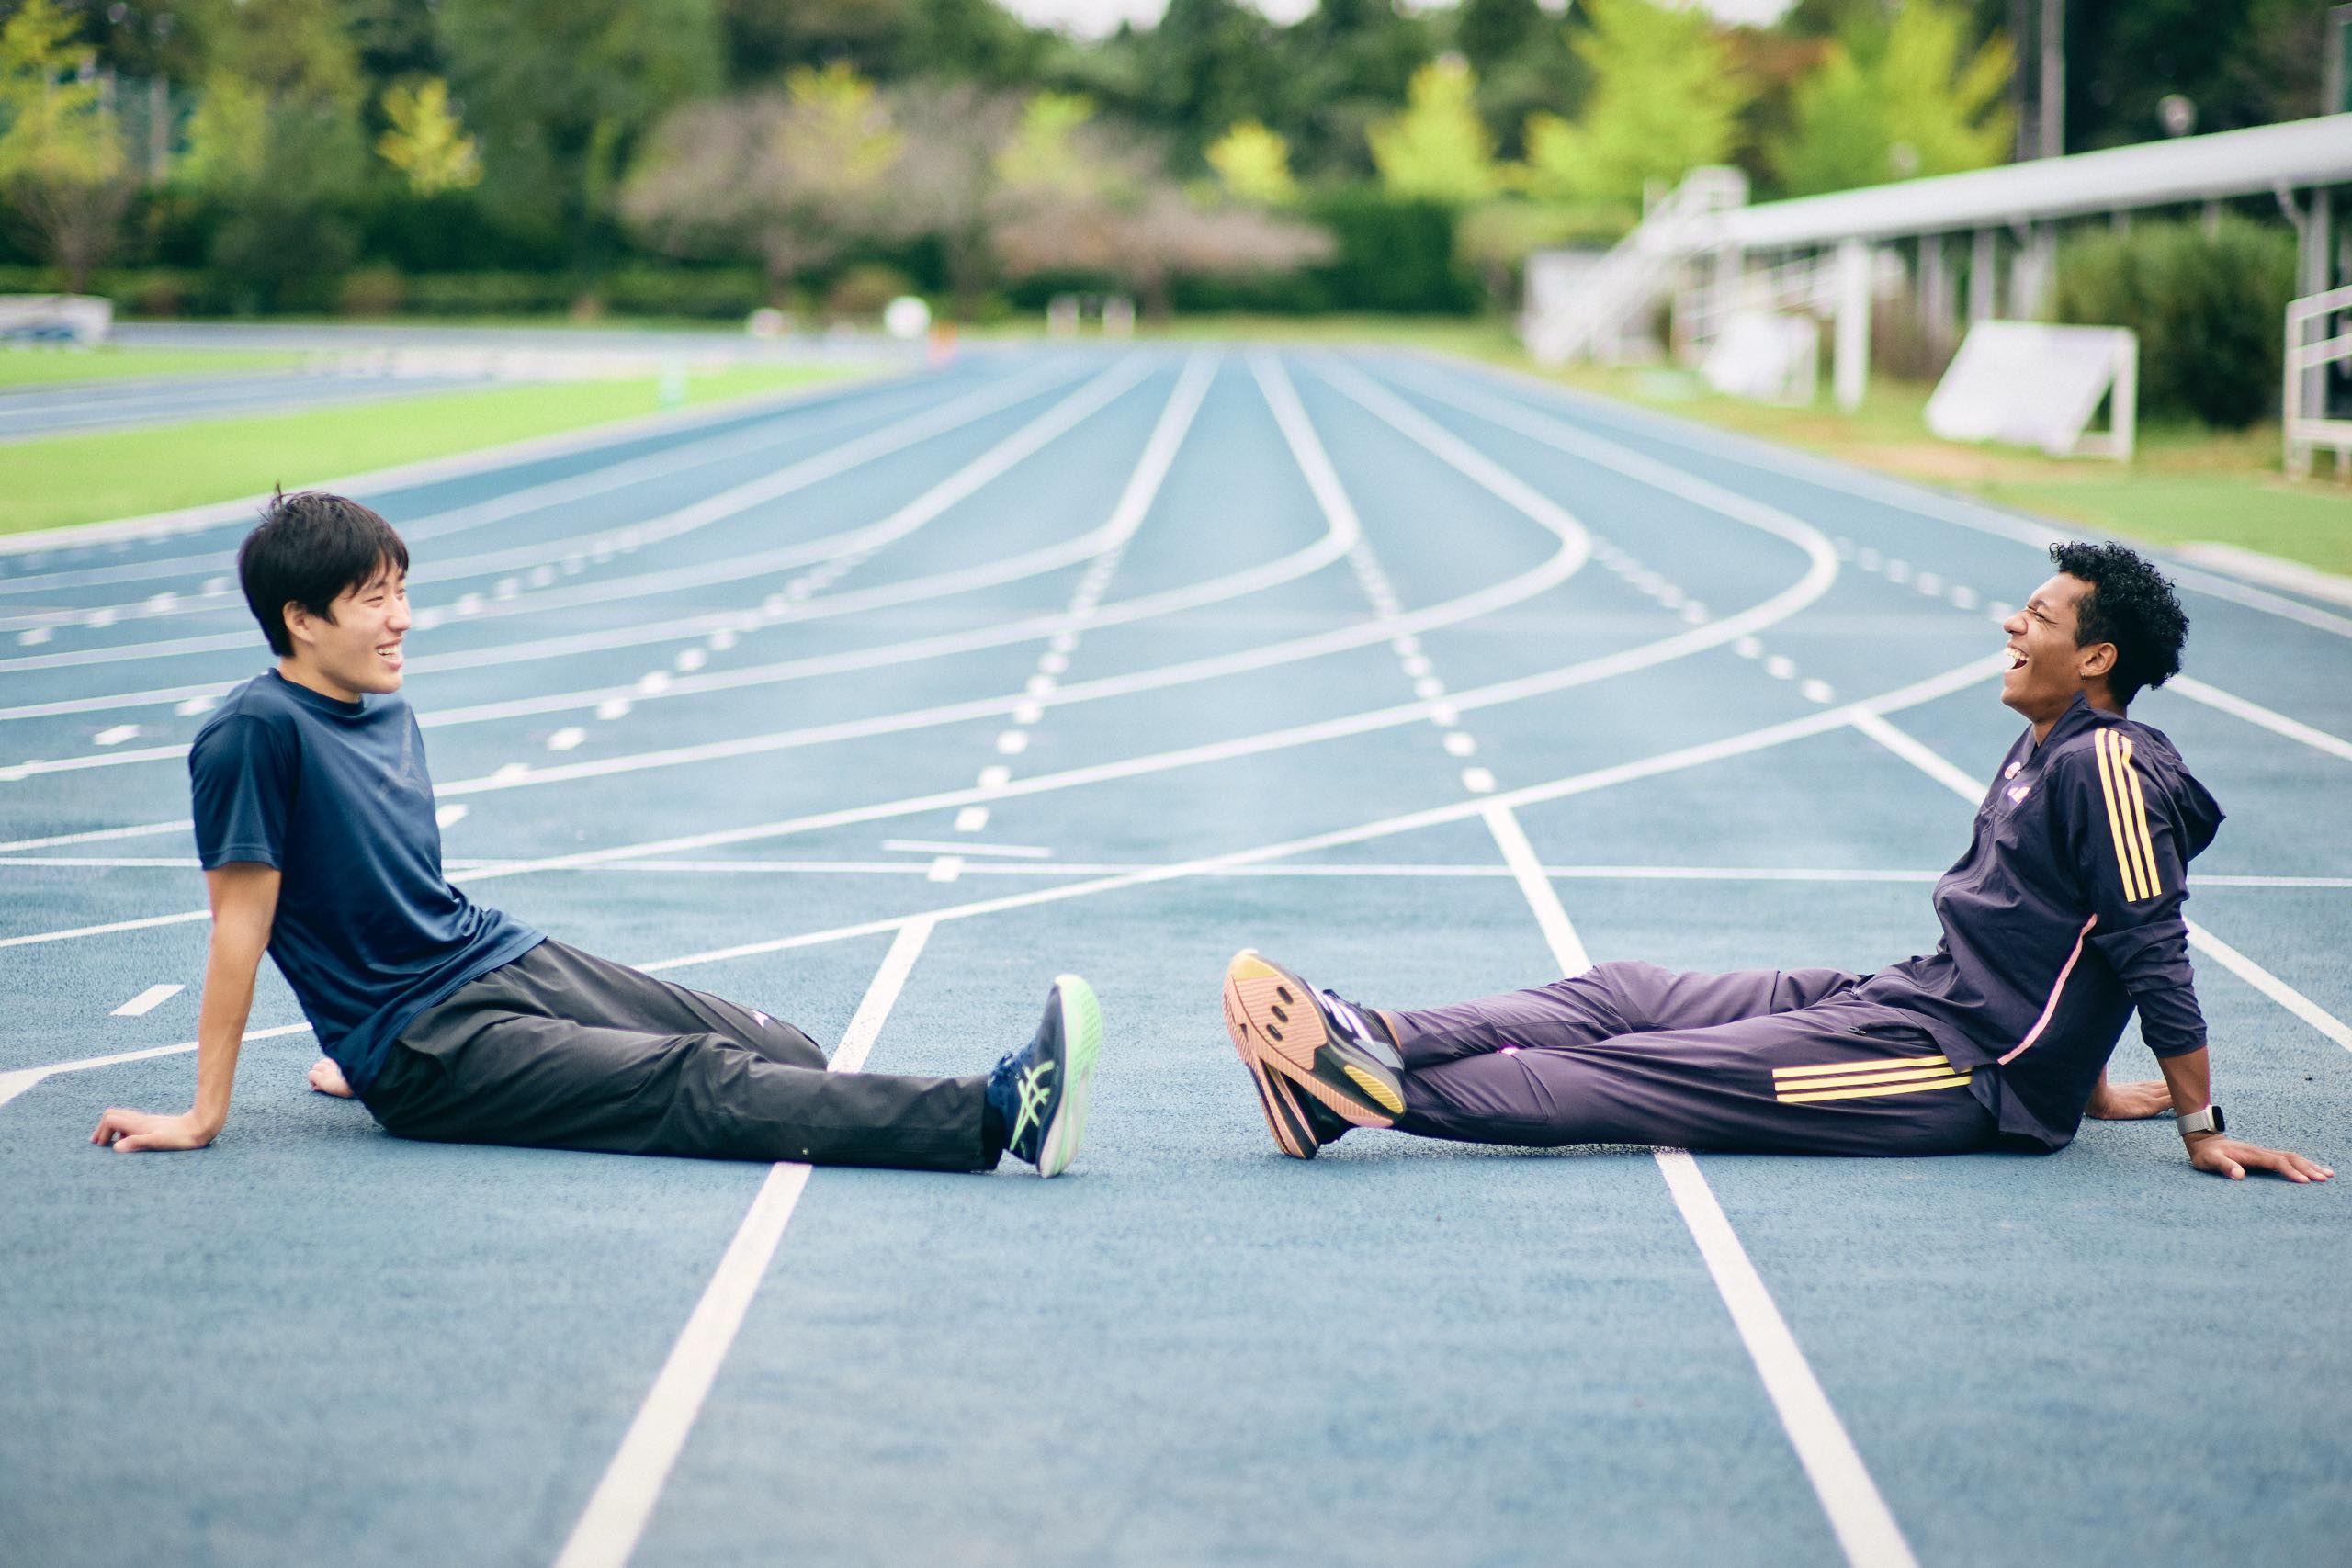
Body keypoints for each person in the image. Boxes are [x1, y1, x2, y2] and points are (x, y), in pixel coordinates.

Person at [1222, 542, 2331, 1186]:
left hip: (1955, 1071)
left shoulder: (2112, 772)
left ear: (2095, 656)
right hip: (1914, 997)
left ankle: (1362, 1095)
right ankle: (1373, 1037)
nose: (2009, 624)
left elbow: (2147, 946)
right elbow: (2057, 934)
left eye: (2035, 617)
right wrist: (2087, 1082)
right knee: (1628, 994)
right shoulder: (2046, 745)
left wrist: (2196, 1127)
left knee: (1643, 1076)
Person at [90, 491, 1101, 1177]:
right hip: (431, 1044)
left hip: (490, 957)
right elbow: (241, 925)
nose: (401, 620)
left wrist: (339, 1048)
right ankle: (996, 1112)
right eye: (374, 600)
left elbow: (372, 896)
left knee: (773, 1046)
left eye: (403, 591)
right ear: (302, 619)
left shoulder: (384, 706)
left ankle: (894, 1104)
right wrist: (205, 1110)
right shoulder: (252, 733)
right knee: (696, 1087)